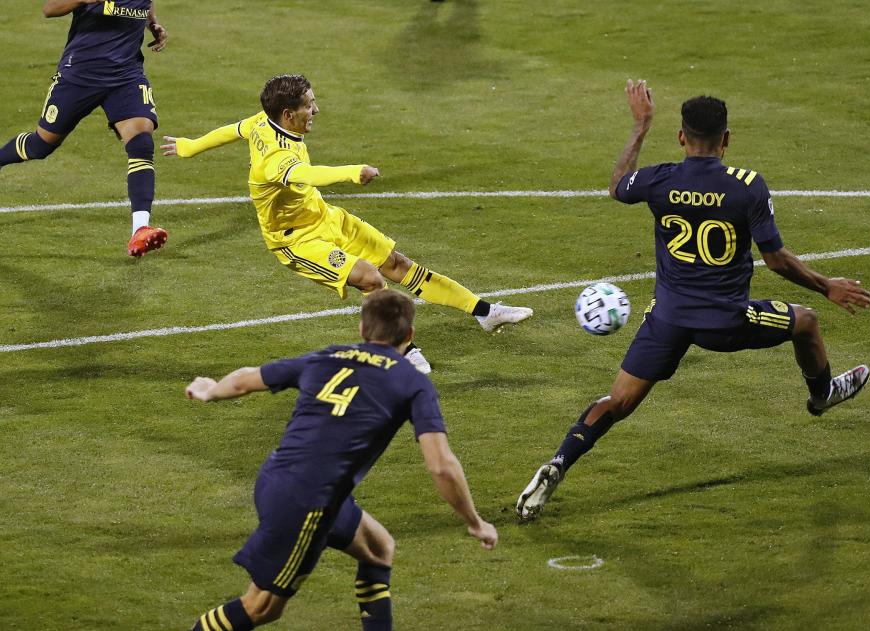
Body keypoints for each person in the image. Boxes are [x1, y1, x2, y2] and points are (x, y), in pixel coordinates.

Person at [516, 79, 870, 523]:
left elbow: (616, 186)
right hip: (727, 321)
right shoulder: (747, 185)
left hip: (666, 320)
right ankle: (822, 395)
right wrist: (827, 285)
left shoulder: (660, 179)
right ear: (726, 139)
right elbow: (777, 260)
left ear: (681, 137)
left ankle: (558, 462)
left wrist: (641, 126)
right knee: (807, 321)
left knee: (618, 401)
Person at [160, 74, 532, 373]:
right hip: (298, 241)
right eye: (309, 105)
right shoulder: (274, 160)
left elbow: (233, 129)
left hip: (325, 218)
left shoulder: (263, 123)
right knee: (372, 278)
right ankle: (403, 350)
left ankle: (485, 313)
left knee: (397, 265)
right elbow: (309, 172)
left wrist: (191, 146)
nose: (316, 110)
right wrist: (354, 171)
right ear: (288, 114)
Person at [184, 288, 498, 631]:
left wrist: (209, 390)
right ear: (409, 335)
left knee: (379, 549)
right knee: (261, 608)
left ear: (363, 330)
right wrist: (474, 521)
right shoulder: (411, 381)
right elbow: (441, 465)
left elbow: (246, 379)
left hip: (280, 479)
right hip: (308, 502)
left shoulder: (328, 357)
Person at [0, 1, 169, 257]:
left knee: (141, 142)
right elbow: (50, 8)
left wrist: (153, 23)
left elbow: (145, 3)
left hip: (126, 76)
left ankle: (140, 230)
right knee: (40, 145)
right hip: (79, 75)